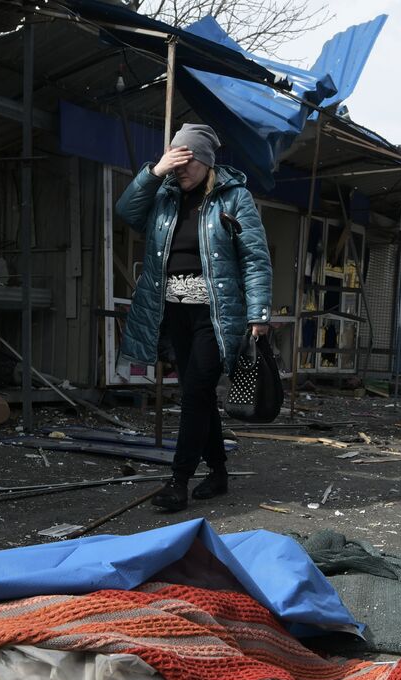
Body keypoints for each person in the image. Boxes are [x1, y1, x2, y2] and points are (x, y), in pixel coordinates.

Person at [116, 124, 273, 513]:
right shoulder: (164, 197)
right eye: (176, 160)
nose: (180, 169)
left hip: (215, 315)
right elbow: (126, 211)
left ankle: (178, 480)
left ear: (206, 161)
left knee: (194, 394)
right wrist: (155, 172)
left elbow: (255, 259)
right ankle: (218, 471)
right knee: (197, 394)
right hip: (172, 314)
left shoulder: (234, 199)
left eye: (188, 161)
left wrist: (259, 313)